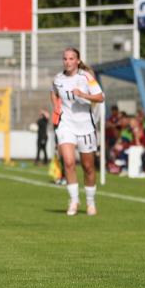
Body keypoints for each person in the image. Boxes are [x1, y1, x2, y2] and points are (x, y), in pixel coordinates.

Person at [50, 47, 104, 216]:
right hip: (66, 125)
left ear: (78, 61)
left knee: (88, 167)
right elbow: (53, 92)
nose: (68, 61)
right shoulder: (58, 78)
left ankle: (90, 202)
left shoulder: (86, 77)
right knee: (68, 162)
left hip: (86, 127)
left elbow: (100, 97)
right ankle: (73, 200)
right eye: (65, 58)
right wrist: (56, 107)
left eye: (71, 58)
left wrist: (82, 94)